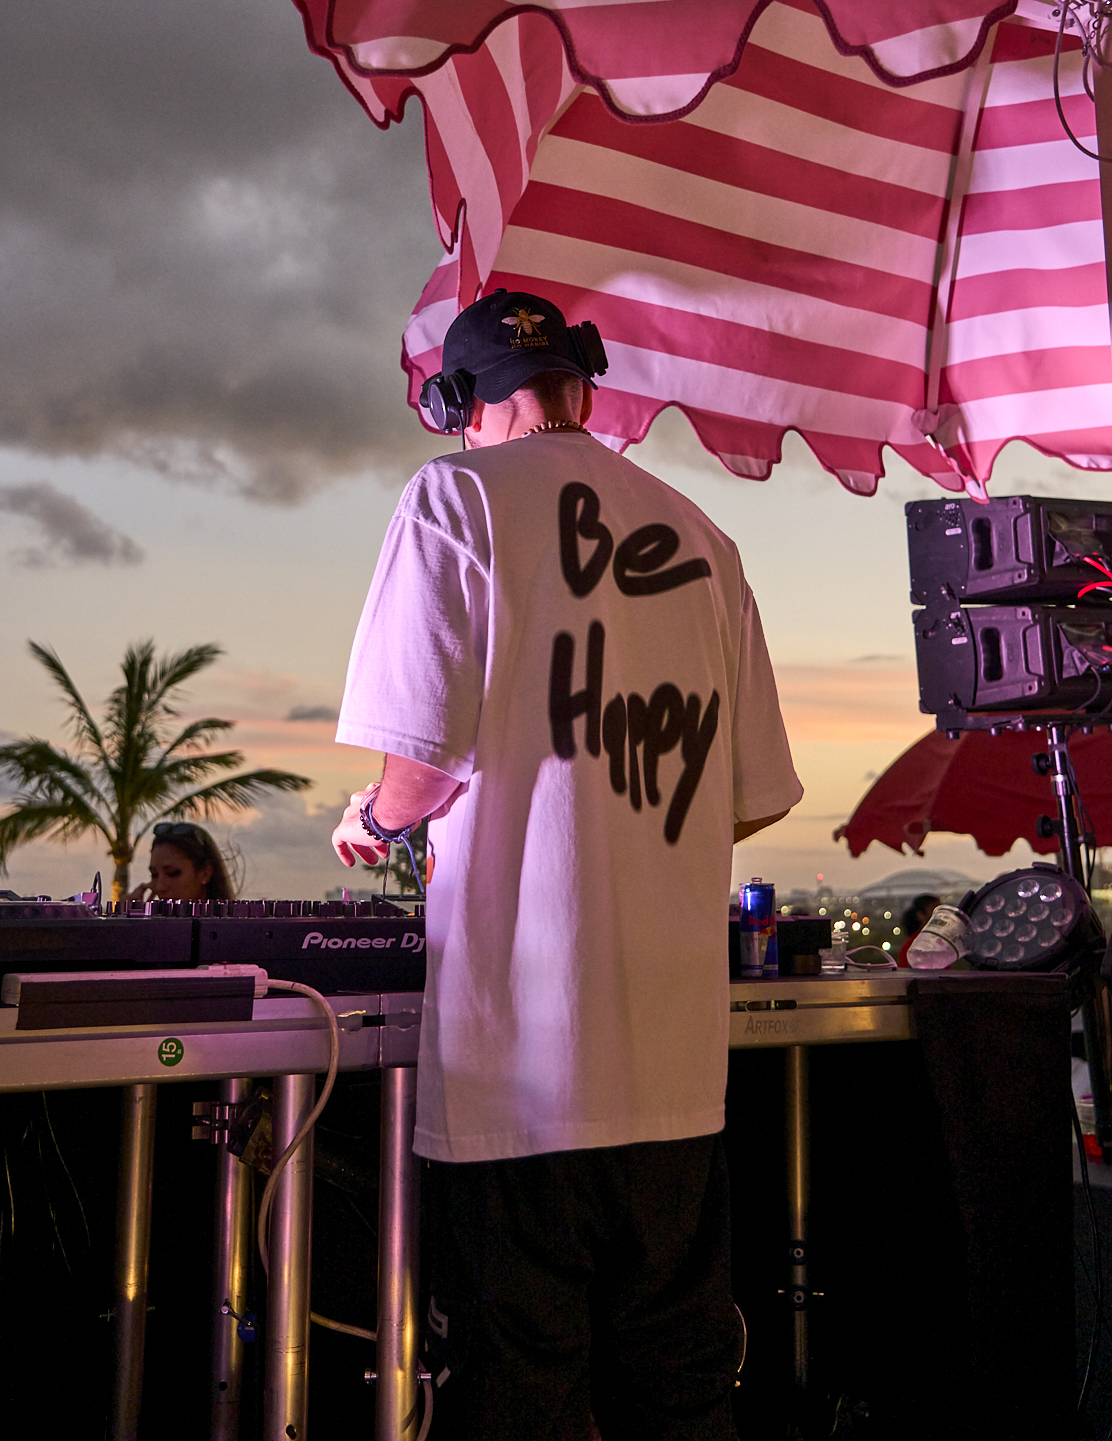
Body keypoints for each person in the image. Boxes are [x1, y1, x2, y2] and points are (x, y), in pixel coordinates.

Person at [330, 288, 802, 1441]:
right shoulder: (704, 537)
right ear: (586, 389)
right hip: (675, 1078)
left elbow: (422, 751)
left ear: (459, 404)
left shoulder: (452, 498)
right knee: (679, 1397)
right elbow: (743, 800)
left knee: (521, 1394)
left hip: (520, 1072)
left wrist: (378, 822)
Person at [127, 820, 235, 903]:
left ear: (204, 873)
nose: (159, 887)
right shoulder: (153, 928)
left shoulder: (234, 931)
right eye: (154, 875)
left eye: (173, 873)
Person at [895, 892, 940, 968]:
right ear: (921, 915)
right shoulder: (913, 946)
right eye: (935, 911)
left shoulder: (937, 942)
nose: (940, 915)